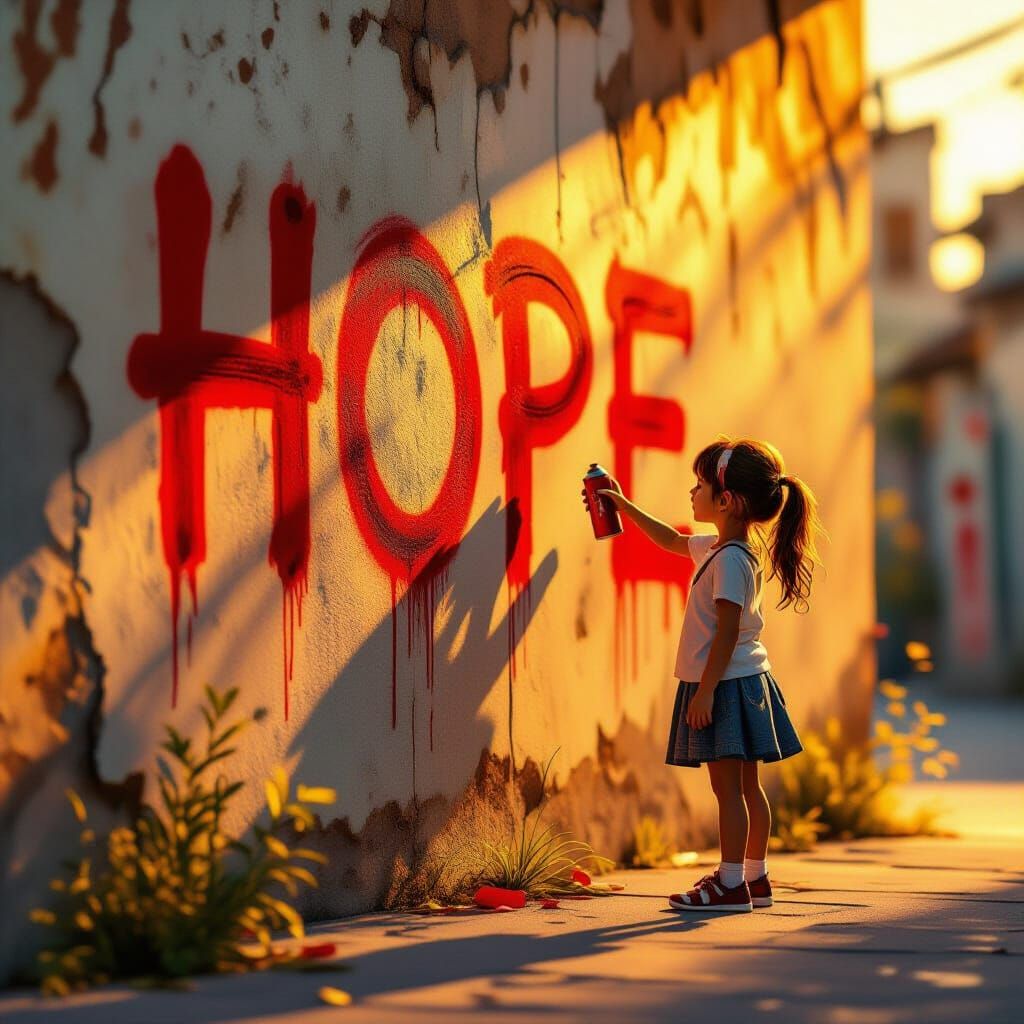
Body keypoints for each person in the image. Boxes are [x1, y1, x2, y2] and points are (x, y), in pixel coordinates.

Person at [582, 437, 825, 913]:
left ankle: (731, 883)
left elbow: (728, 632)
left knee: (728, 791)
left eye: (699, 485)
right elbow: (671, 540)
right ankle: (755, 878)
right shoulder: (721, 549)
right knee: (746, 789)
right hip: (742, 681)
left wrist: (705, 693)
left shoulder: (731, 560)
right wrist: (622, 505)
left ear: (727, 500)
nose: (691, 492)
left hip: (726, 684)